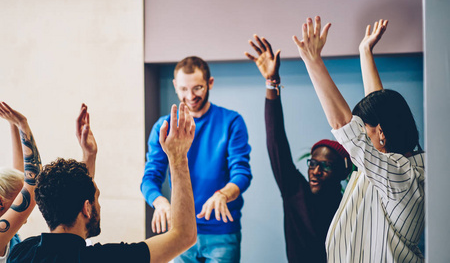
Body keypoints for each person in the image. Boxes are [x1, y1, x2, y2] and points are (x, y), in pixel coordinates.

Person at [293, 16, 424, 262]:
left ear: (382, 133)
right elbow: (378, 109)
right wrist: (365, 51)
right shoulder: (395, 163)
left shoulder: (399, 173)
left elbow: (343, 125)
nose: (360, 135)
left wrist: (313, 61)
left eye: (364, 129)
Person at [8, 103, 197, 263]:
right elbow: (183, 236)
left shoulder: (21, 252)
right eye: (97, 198)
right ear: (86, 208)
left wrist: (89, 156)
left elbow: (75, 195)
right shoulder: (106, 258)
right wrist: (178, 158)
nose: (99, 203)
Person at [245, 36, 352, 263]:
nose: (315, 171)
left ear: (342, 173)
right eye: (312, 163)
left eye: (325, 166)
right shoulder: (296, 193)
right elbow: (276, 141)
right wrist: (272, 82)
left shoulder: (348, 206)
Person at [141, 56, 252, 263]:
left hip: (222, 232)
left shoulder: (231, 121)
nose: (190, 96)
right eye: (183, 89)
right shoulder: (163, 127)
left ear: (210, 83)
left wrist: (223, 195)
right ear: (175, 86)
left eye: (198, 88)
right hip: (179, 231)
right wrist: (160, 202)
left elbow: (242, 173)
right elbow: (149, 178)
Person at [0, 102, 42, 263]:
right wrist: (24, 125)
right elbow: (33, 184)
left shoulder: (9, 234)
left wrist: (13, 125)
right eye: (20, 197)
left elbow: (20, 176)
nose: (25, 217)